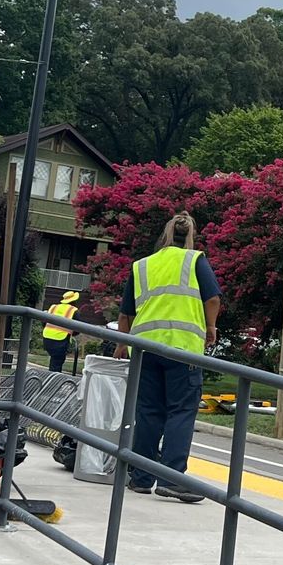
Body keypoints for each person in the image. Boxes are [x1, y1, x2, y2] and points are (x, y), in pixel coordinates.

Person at [116, 212, 221, 503]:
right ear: (190, 236)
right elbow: (212, 298)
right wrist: (210, 326)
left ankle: (140, 477)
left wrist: (122, 344)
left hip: (145, 348)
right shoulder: (194, 260)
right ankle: (172, 478)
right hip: (182, 348)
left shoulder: (142, 266)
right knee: (181, 411)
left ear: (164, 235)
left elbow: (126, 312)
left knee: (148, 411)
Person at [41, 290, 80, 372]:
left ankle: (51, 380)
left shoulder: (53, 307)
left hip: (47, 338)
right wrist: (70, 333)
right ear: (74, 301)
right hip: (60, 340)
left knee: (54, 362)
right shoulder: (74, 310)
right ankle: (53, 383)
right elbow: (78, 328)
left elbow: (44, 322)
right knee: (56, 365)